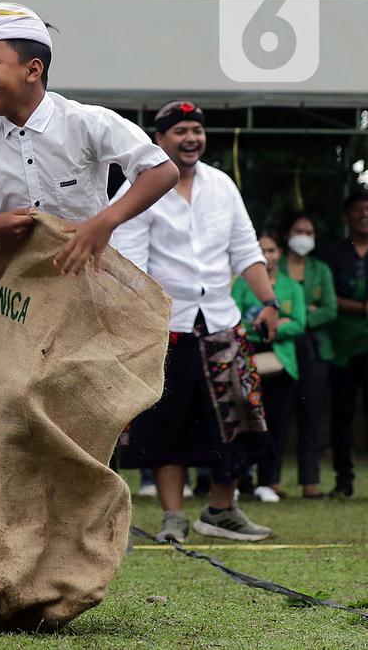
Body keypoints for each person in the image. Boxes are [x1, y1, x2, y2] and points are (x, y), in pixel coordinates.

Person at [112, 100, 278, 542]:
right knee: (168, 423)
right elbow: (130, 264)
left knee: (239, 417)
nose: (191, 139)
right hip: (165, 326)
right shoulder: (140, 187)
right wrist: (136, 324)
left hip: (222, 321)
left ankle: (222, 510)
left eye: (197, 131)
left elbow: (246, 250)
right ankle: (174, 516)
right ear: (159, 139)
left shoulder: (222, 185)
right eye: (181, 131)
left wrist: (269, 302)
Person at [232, 229, 305, 502]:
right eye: (261, 250)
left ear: (280, 253)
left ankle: (267, 482)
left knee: (276, 423)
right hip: (247, 360)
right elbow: (234, 318)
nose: (266, 255)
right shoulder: (242, 284)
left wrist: (273, 327)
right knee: (243, 423)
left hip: (282, 363)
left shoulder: (292, 287)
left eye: (271, 250)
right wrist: (269, 324)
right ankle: (239, 481)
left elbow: (299, 323)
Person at [278, 211, 336, 499]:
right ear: (287, 235)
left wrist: (298, 318)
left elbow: (330, 309)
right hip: (283, 348)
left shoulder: (320, 269)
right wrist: (305, 312)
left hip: (315, 348)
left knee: (311, 416)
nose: (304, 237)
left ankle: (310, 482)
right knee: (279, 415)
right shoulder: (275, 268)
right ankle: (270, 482)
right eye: (298, 231)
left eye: (309, 232)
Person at [322, 189, 368, 499]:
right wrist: (361, 308)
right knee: (342, 415)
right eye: (358, 209)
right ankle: (344, 481)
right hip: (341, 348)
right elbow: (324, 297)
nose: (364, 214)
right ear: (346, 217)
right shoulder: (332, 254)